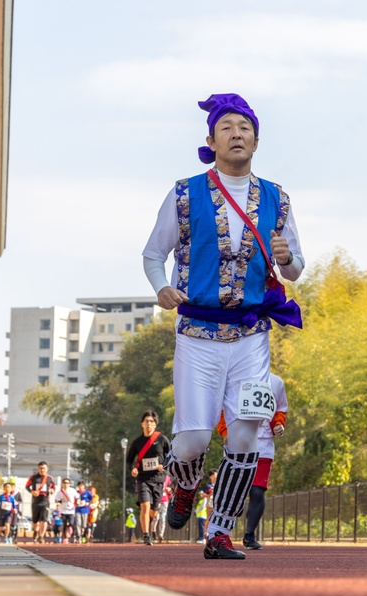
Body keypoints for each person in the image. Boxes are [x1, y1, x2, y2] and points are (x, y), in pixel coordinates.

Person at [142, 93, 304, 560]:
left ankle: (220, 531)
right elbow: (154, 255)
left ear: (257, 139)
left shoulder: (278, 198)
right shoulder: (184, 193)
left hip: (252, 337)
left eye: (245, 127)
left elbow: (294, 269)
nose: (237, 134)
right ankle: (187, 485)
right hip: (197, 336)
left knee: (245, 433)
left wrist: (286, 258)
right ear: (210, 140)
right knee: (192, 440)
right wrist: (161, 289)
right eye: (227, 127)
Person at [243, 373, 288, 549]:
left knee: (257, 492)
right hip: (240, 443)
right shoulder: (237, 376)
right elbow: (225, 408)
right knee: (236, 492)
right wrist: (225, 432)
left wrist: (278, 424)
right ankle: (221, 531)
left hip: (264, 445)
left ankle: (249, 534)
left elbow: (281, 408)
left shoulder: (276, 382)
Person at [125, 410, 171, 546]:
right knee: (144, 506)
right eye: (146, 421)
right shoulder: (137, 442)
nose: (149, 424)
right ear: (142, 424)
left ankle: (151, 528)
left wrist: (164, 466)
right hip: (143, 479)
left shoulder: (162, 440)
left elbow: (171, 456)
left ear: (155, 424)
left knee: (153, 511)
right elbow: (129, 460)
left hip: (158, 479)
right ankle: (146, 535)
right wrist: (132, 468)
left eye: (151, 421)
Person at [25, 462, 55, 543]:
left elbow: (53, 487)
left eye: (44, 468)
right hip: (35, 502)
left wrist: (52, 491)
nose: (42, 470)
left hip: (45, 501)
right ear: (38, 469)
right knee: (35, 520)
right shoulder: (33, 477)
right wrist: (32, 491)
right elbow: (27, 486)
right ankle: (36, 530)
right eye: (40, 468)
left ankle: (41, 536)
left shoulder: (50, 478)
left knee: (44, 519)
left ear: (47, 469)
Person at [53, 478, 79, 543]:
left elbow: (77, 497)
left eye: (67, 483)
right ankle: (65, 537)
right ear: (62, 484)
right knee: (64, 524)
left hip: (71, 510)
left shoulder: (72, 490)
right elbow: (56, 499)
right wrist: (58, 502)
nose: (66, 484)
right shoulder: (60, 492)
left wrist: (78, 501)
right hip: (63, 510)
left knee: (72, 523)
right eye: (64, 482)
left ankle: (73, 535)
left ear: (69, 484)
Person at [153, 476, 172, 542]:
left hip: (165, 500)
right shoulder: (155, 476)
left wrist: (169, 490)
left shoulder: (167, 478)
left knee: (163, 517)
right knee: (156, 517)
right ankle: (153, 532)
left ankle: (161, 535)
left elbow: (170, 488)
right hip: (156, 500)